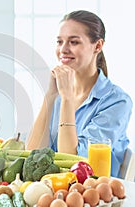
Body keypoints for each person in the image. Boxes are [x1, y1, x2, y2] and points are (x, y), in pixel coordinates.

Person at [26, 10, 133, 177]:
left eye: (73, 42)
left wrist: (67, 98)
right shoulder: (59, 95)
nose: (63, 49)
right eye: (59, 41)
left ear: (97, 46)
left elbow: (75, 163)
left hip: (97, 194)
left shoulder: (117, 102)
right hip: (57, 189)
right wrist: (50, 96)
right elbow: (31, 155)